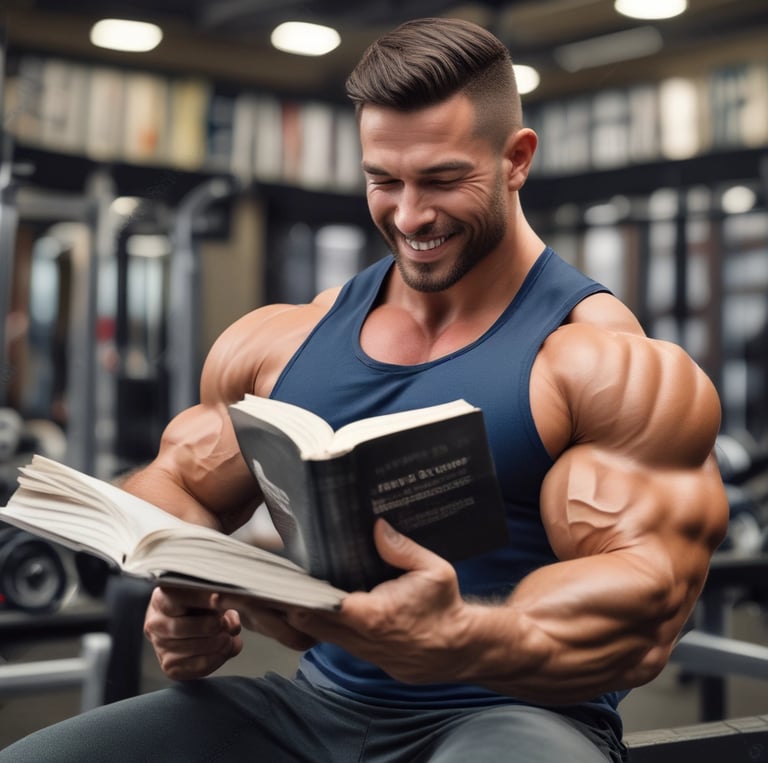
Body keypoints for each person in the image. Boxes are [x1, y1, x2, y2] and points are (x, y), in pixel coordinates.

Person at [1, 17, 729, 763]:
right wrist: (186, 590)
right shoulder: (286, 341)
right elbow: (179, 484)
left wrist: (460, 637)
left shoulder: (599, 360)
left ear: (516, 159)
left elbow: (647, 601)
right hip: (315, 708)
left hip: (518, 717)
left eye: (442, 180)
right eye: (384, 180)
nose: (410, 215)